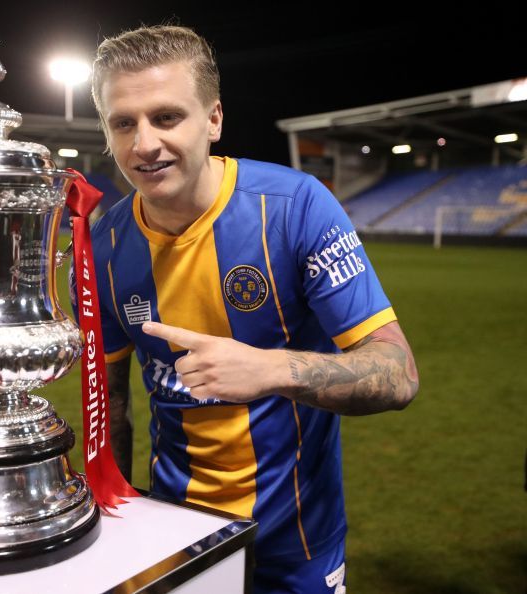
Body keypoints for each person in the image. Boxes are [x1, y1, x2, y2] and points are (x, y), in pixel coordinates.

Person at [77, 24, 419, 594]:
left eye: (167, 117)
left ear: (213, 119)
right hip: (174, 535)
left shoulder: (294, 208)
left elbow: (399, 372)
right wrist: (113, 520)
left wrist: (269, 369)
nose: (144, 144)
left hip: (296, 544)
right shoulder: (102, 248)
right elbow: (110, 405)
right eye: (123, 122)